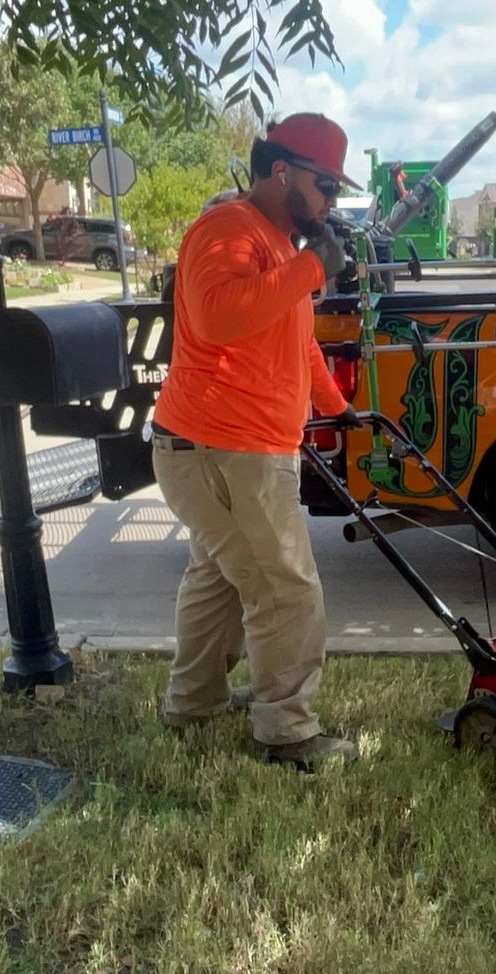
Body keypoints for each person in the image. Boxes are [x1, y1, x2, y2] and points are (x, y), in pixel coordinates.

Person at [148, 113, 362, 769]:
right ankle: (287, 733)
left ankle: (193, 704)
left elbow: (295, 345)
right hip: (224, 448)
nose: (329, 202)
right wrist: (310, 271)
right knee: (285, 590)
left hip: (226, 449)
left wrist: (339, 410)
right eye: (325, 185)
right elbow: (218, 319)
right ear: (282, 172)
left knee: (217, 579)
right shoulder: (227, 231)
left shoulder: (274, 244)